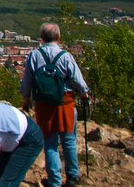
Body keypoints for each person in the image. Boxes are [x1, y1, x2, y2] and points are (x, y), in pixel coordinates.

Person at [21, 23, 91, 187]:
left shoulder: (35, 55)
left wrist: (26, 98)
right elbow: (77, 79)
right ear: (59, 38)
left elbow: (27, 80)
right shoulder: (65, 56)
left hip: (43, 104)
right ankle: (73, 176)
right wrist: (84, 93)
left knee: (50, 142)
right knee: (68, 140)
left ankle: (55, 181)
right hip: (65, 101)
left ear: (42, 38)